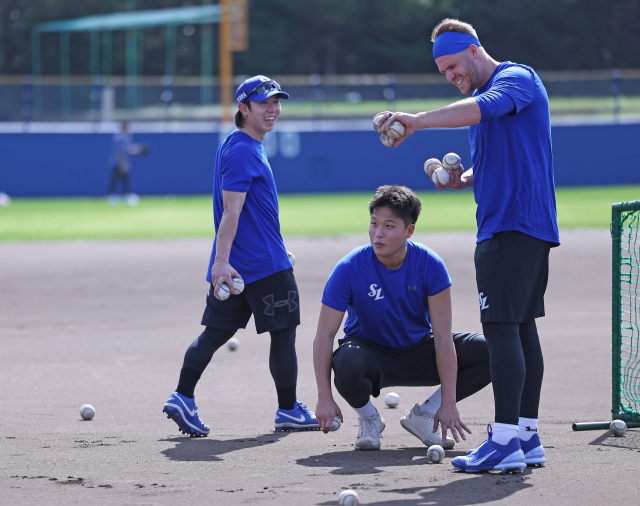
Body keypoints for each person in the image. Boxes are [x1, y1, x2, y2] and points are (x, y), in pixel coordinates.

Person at [375, 18, 560, 472]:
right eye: (442, 71)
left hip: (510, 227)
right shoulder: (488, 97)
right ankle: (525, 436)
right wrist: (464, 181)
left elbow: (481, 109)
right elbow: (497, 161)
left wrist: (416, 121)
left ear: (475, 51)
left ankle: (502, 442)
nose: (450, 76)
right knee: (520, 330)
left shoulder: (515, 78)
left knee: (500, 330)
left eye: (454, 65)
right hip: (522, 225)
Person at [163, 75, 319, 436]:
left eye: (277, 102)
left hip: (245, 262)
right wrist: (220, 262)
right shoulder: (244, 149)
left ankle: (182, 396)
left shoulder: (238, 144)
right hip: (260, 266)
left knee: (214, 334)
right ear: (243, 108)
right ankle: (288, 410)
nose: (273, 109)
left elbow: (246, 214)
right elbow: (231, 211)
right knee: (284, 334)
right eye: (264, 103)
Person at [313, 185, 491, 451]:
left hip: (419, 351)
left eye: (389, 226)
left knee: (490, 351)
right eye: (374, 224)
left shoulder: (430, 265)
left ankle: (424, 415)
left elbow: (443, 338)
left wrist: (448, 402)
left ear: (409, 231)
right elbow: (324, 337)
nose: (378, 233)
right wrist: (324, 397)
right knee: (346, 362)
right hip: (370, 355)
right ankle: (369, 419)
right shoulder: (349, 268)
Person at [107, 121, 145, 207]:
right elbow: (118, 152)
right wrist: (121, 165)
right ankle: (112, 198)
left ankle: (127, 196)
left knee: (126, 181)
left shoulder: (128, 137)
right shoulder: (118, 138)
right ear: (124, 127)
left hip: (125, 162)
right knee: (115, 180)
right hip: (117, 163)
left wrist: (137, 149)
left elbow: (127, 149)